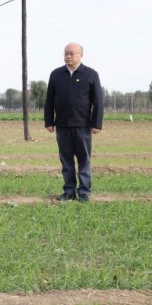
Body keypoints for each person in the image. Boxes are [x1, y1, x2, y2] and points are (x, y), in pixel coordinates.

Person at [44, 42, 103, 203]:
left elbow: (98, 101)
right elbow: (49, 99)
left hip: (83, 126)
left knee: (84, 159)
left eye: (71, 53)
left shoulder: (91, 74)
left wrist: (96, 123)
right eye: (66, 53)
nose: (68, 56)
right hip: (62, 125)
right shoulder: (56, 74)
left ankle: (84, 191)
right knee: (66, 160)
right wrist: (49, 120)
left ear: (81, 55)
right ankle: (69, 191)